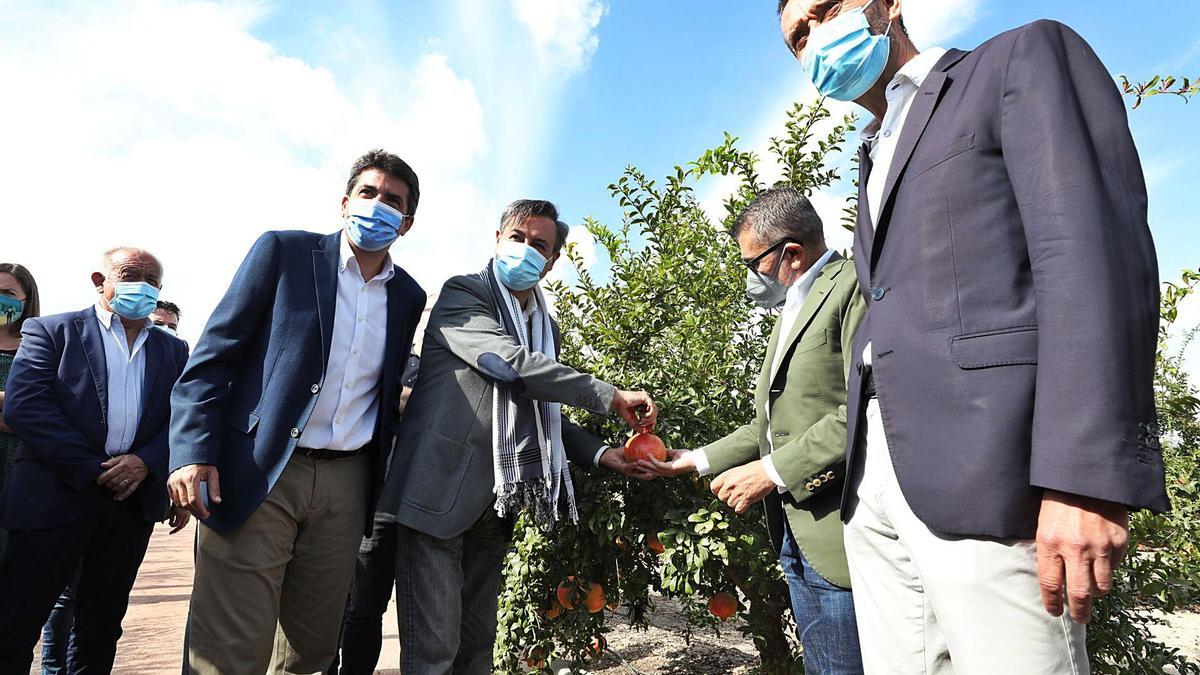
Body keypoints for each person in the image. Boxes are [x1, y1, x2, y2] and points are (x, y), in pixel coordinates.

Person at [778, 1, 1167, 672]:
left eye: (827, 9)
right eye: (799, 37)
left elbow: (1088, 251)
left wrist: (1084, 476)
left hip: (987, 470)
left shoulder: (1015, 62)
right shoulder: (874, 150)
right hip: (876, 490)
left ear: (889, 3)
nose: (815, 37)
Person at [169, 149, 427, 674]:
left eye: (393, 202)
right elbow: (214, 358)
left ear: (407, 223)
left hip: (347, 486)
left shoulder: (407, 295)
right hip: (259, 469)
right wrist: (192, 452)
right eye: (368, 193)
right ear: (344, 201)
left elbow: (386, 385)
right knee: (229, 648)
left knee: (310, 651)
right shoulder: (284, 253)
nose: (377, 207)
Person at [375, 199, 658, 674]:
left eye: (539, 245)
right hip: (438, 491)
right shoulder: (464, 294)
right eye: (518, 238)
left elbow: (543, 411)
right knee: (434, 651)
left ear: (552, 260)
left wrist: (602, 453)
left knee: (477, 647)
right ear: (498, 239)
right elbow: (508, 365)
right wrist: (608, 395)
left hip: (496, 505)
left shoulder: (545, 328)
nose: (526, 250)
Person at [644, 188, 865, 673]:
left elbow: (864, 409)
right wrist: (693, 459)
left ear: (791, 253)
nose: (750, 277)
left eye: (752, 263)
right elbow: (770, 426)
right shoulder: (790, 310)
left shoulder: (852, 288)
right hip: (794, 531)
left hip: (839, 530)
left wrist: (771, 472)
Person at [0, 247, 189, 673]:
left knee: (100, 630)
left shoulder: (173, 351)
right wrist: (97, 470)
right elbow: (26, 407)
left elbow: (183, 416)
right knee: (16, 623)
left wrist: (144, 462)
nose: (141, 284)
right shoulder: (51, 331)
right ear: (99, 281)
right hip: (53, 500)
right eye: (128, 273)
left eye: (151, 279)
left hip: (128, 508)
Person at [328, 351, 419, 675]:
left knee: (376, 610)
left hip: (413, 510)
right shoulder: (380, 356)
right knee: (350, 604)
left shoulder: (430, 365)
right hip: (371, 502)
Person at [0, 262, 40, 568]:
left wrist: (16, 412)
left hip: (22, 472)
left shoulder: (40, 349)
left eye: (7, 293)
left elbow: (41, 414)